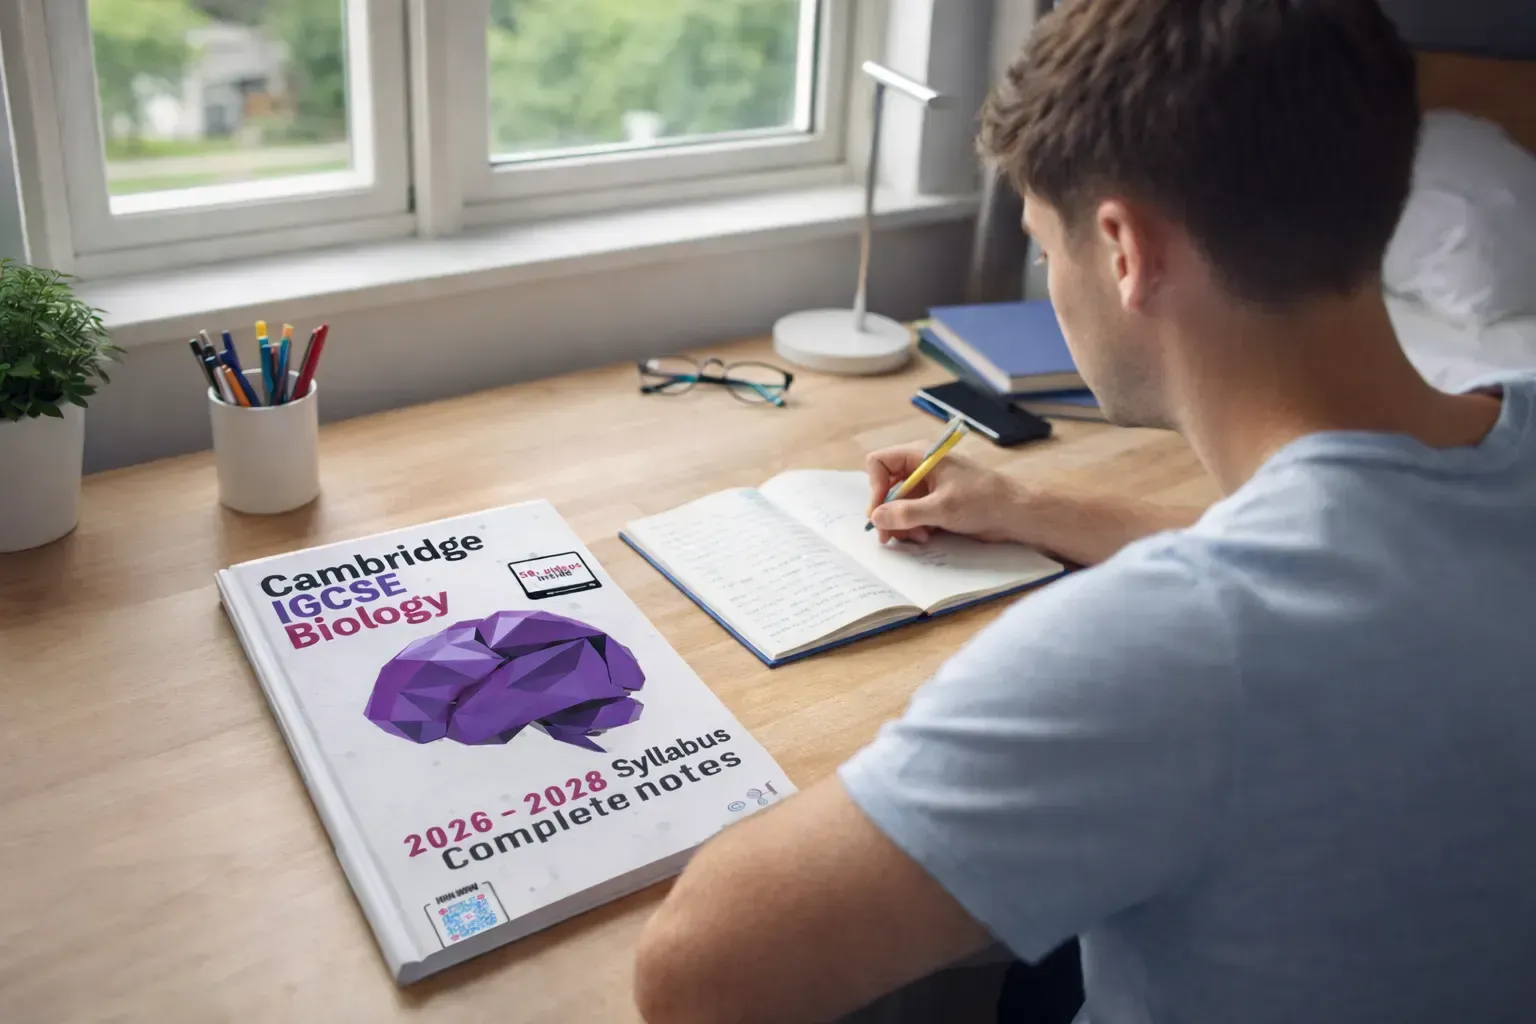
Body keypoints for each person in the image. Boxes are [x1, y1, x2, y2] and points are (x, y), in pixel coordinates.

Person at [631, 0, 1536, 1021]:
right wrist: (1035, 506)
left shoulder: (1174, 646)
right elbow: (1359, 563)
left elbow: (699, 971)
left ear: (1122, 249)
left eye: (1041, 242)